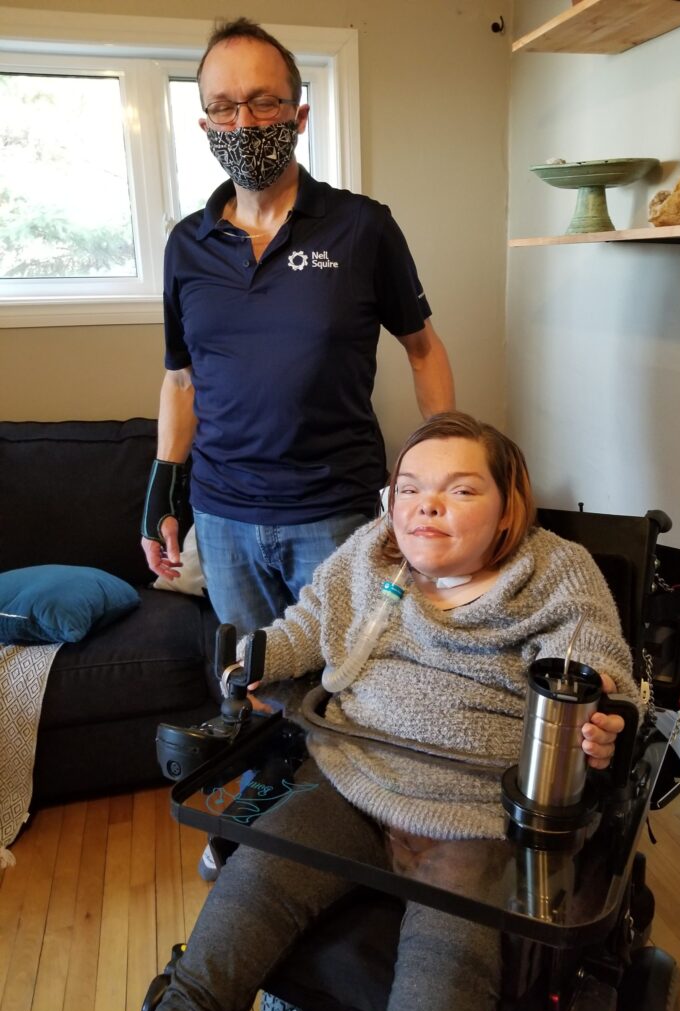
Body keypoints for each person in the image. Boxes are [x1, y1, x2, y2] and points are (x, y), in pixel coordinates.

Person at [151, 412, 640, 1011]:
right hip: (353, 778)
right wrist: (262, 655)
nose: (425, 506)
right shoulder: (372, 553)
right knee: (253, 881)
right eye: (409, 488)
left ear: (508, 508)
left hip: (477, 814)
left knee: (447, 963)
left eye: (459, 490)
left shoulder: (552, 570)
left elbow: (590, 658)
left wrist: (600, 709)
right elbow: (311, 625)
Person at [140, 16, 455, 639]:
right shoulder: (187, 245)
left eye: (263, 102)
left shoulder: (363, 227)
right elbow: (181, 380)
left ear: (299, 114)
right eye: (224, 108)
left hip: (334, 514)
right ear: (205, 124)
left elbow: (423, 350)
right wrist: (162, 492)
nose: (244, 124)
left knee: (347, 686)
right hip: (223, 516)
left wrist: (437, 469)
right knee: (253, 688)